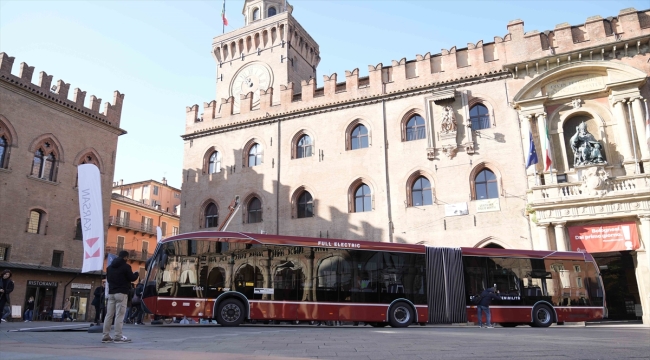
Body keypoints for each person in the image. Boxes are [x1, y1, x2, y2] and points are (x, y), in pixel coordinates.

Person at [102, 251, 139, 343]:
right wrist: (136, 274)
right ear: (126, 257)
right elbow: (132, 278)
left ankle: (105, 336)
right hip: (121, 293)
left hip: (111, 293)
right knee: (119, 315)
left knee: (109, 315)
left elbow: (109, 280)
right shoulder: (126, 267)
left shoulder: (109, 268)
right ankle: (118, 336)